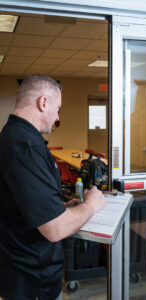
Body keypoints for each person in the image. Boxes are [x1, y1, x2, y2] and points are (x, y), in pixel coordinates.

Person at [0, 74, 106, 300]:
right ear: (43, 102)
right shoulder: (26, 148)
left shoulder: (13, 136)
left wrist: (60, 206)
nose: (58, 117)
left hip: (19, 271)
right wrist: (90, 206)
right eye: (58, 108)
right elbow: (54, 229)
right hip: (32, 279)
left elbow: (23, 203)